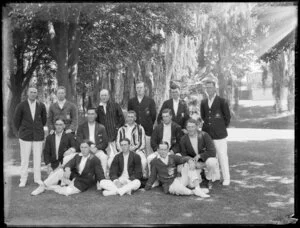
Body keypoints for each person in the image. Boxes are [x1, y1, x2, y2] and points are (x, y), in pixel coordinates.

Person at [31, 140, 105, 196]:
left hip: (82, 183)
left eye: (85, 147)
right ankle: (42, 186)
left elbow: (100, 174)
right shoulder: (78, 156)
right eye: (81, 147)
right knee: (60, 171)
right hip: (73, 177)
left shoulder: (94, 159)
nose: (83, 149)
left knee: (66, 192)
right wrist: (67, 169)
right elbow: (69, 164)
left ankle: (50, 187)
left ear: (89, 148)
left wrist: (104, 184)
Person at [144, 142, 210, 198]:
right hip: (169, 185)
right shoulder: (154, 162)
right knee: (183, 191)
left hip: (178, 180)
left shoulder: (172, 157)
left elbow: (183, 159)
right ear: (158, 150)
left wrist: (190, 161)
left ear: (168, 150)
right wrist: (147, 187)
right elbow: (153, 176)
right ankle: (194, 191)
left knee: (188, 164)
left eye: (165, 149)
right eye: (161, 149)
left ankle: (198, 188)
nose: (163, 151)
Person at [14, 86, 47, 187]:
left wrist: (37, 128)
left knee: (37, 158)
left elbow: (44, 120)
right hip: (25, 136)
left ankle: (37, 179)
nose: (33, 94)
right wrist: (21, 131)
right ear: (27, 93)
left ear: (37, 94)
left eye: (35, 92)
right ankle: (23, 179)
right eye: (31, 92)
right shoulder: (21, 105)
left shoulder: (41, 105)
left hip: (38, 136)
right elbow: (16, 120)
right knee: (25, 159)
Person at [200, 78, 231, 186]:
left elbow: (227, 117)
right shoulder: (203, 102)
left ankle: (226, 178)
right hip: (208, 134)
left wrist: (220, 127)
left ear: (215, 88)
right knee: (212, 156)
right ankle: (216, 176)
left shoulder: (222, 101)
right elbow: (203, 116)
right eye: (207, 88)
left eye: (210, 87)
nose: (208, 89)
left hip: (220, 135)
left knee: (222, 156)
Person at [180, 118, 220, 189]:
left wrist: (200, 156)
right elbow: (183, 155)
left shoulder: (204, 135)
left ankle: (208, 178)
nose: (191, 129)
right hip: (193, 162)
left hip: (205, 161)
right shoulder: (183, 139)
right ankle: (201, 174)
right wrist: (190, 161)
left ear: (196, 127)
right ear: (186, 128)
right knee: (191, 185)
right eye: (189, 127)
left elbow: (212, 152)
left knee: (212, 162)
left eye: (192, 127)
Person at [76, 107, 109, 178]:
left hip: (97, 150)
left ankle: (102, 179)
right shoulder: (81, 127)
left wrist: (97, 148)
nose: (90, 116)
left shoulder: (101, 127)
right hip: (84, 150)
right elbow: (79, 140)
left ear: (96, 115)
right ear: (87, 115)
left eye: (92, 114)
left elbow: (105, 142)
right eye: (89, 114)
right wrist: (87, 148)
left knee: (104, 157)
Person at [96, 89, 125, 167]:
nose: (104, 97)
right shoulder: (98, 108)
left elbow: (121, 118)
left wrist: (117, 128)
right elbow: (97, 122)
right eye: (102, 95)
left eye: (105, 95)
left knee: (117, 154)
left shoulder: (115, 105)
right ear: (100, 97)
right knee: (108, 156)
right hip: (104, 136)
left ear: (108, 96)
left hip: (115, 135)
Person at [128, 81, 156, 158]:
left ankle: (149, 167)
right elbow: (130, 114)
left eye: (141, 87)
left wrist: (148, 123)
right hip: (135, 130)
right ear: (135, 89)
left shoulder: (150, 101)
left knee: (149, 151)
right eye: (137, 88)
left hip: (147, 130)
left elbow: (153, 116)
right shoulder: (131, 101)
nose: (139, 89)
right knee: (136, 150)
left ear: (144, 89)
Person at [115, 110, 148, 178]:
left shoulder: (140, 128)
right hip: (123, 150)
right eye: (128, 117)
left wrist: (133, 149)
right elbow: (118, 142)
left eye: (132, 117)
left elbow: (142, 143)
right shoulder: (121, 129)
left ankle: (140, 177)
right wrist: (123, 149)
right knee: (111, 161)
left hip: (137, 150)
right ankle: (119, 177)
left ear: (135, 118)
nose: (130, 118)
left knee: (143, 161)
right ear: (126, 118)